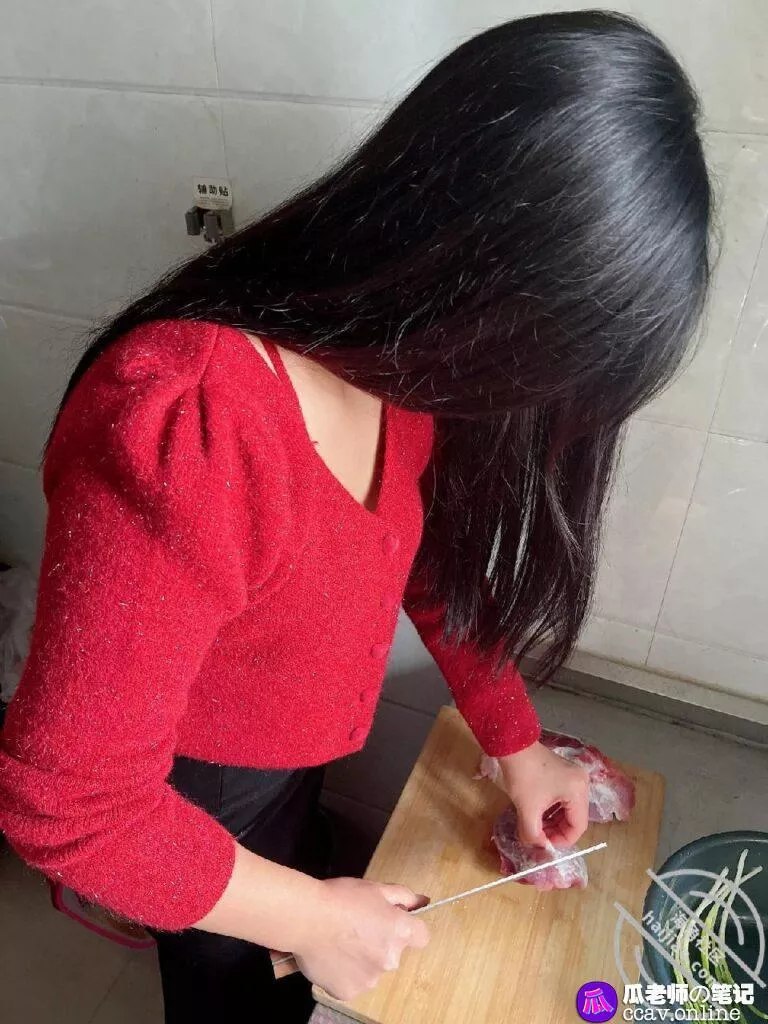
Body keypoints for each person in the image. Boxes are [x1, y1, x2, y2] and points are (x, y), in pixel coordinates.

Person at [0, 10, 711, 1022]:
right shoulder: (196, 422)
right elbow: (70, 804)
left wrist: (517, 745)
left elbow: (423, 559)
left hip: (287, 759)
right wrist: (307, 917)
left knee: (295, 901)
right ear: (483, 284)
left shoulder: (404, 364)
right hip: (186, 792)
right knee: (230, 990)